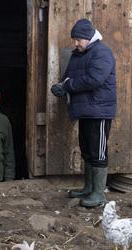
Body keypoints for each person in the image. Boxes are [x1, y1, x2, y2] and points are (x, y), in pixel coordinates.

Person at [51, 18, 116, 207]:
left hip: (99, 111)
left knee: (98, 152)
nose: (75, 43)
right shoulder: (79, 54)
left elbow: (95, 79)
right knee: (87, 150)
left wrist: (69, 86)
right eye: (74, 40)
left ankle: (98, 194)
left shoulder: (102, 52)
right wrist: (61, 85)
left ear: (88, 38)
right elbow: (70, 75)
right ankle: (89, 187)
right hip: (86, 110)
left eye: (78, 40)